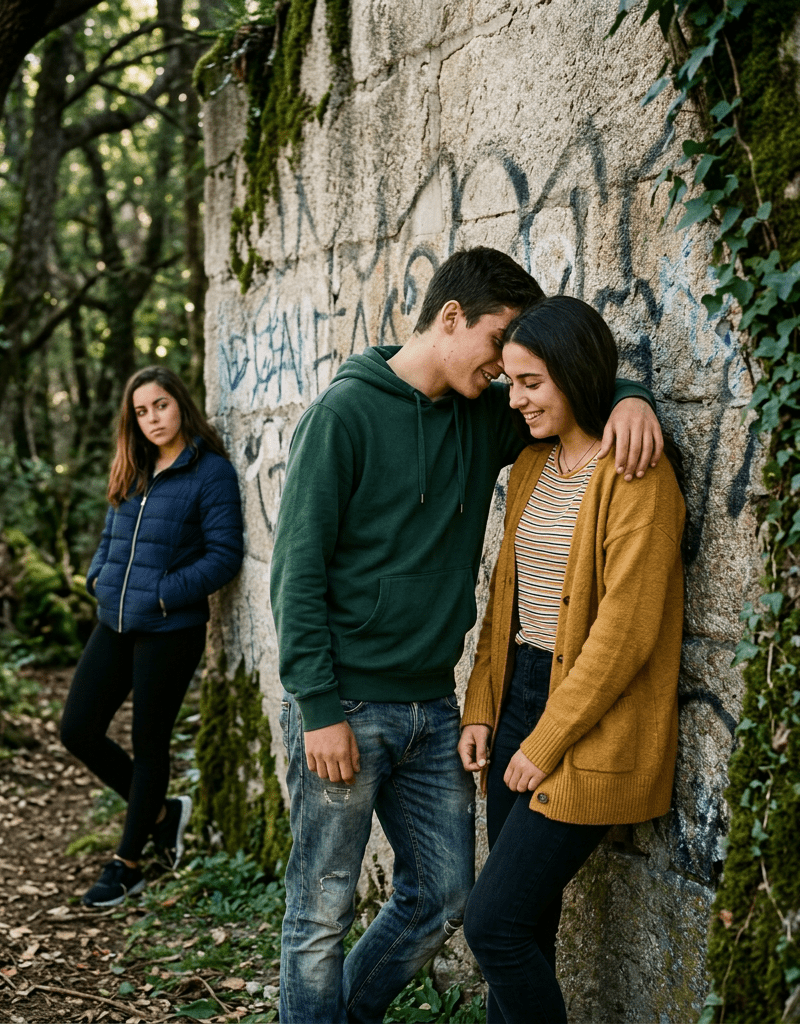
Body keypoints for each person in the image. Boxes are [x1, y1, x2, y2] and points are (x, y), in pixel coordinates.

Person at [270, 247, 665, 1024]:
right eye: (499, 346)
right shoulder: (342, 416)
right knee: (319, 914)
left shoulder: (486, 412)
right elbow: (296, 574)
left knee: (448, 896)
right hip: (345, 704)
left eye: (519, 366)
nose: (507, 373)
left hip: (432, 709)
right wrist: (318, 707)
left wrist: (633, 397)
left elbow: (570, 383)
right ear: (452, 318)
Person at [458, 295, 685, 1024]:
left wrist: (547, 739)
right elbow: (506, 603)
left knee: (492, 925)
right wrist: (484, 708)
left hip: (588, 721)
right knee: (526, 931)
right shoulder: (530, 467)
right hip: (521, 696)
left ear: (575, 372)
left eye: (530, 382)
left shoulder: (636, 474)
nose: (514, 399)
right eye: (511, 382)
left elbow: (625, 634)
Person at [62, 366, 243, 907]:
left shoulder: (209, 473)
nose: (152, 419)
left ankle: (129, 863)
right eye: (141, 412)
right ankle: (164, 812)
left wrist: (163, 594)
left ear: (179, 405)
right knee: (78, 730)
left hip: (170, 629)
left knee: (148, 744)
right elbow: (107, 535)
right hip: (115, 621)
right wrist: (99, 577)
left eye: (160, 406)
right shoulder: (133, 468)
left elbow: (224, 557)